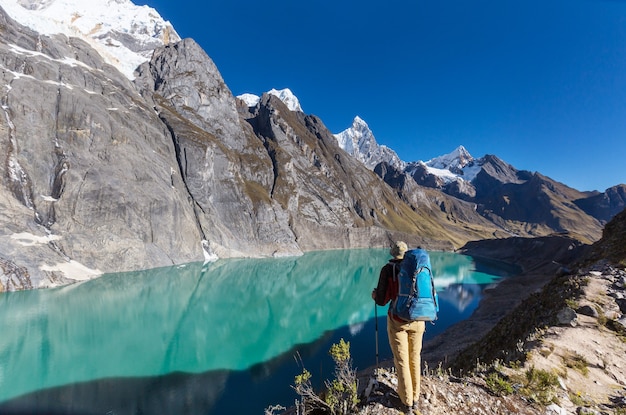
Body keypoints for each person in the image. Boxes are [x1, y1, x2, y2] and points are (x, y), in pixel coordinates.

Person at [371, 241, 425, 415]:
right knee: (415, 358)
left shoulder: (388, 269)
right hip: (418, 319)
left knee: (401, 361)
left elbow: (381, 300)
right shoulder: (417, 267)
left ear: (393, 253)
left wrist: (374, 295)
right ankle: (415, 398)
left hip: (398, 321)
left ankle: (406, 403)